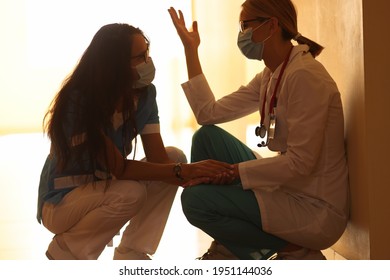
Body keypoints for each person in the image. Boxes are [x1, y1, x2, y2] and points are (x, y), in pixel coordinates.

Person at [168, 0, 349, 260]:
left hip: (313, 207)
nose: (242, 35)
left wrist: (235, 173)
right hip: (287, 188)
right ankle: (231, 244)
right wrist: (190, 50)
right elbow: (208, 114)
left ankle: (292, 248)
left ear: (271, 25)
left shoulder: (305, 76)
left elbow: (301, 164)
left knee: (195, 201)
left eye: (245, 26)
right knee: (206, 137)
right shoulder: (271, 74)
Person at [36, 23, 234, 260]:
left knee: (174, 157)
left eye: (147, 54)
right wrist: (186, 172)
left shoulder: (145, 95)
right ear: (114, 64)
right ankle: (66, 253)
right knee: (132, 192)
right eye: (139, 57)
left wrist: (195, 177)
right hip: (62, 202)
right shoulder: (79, 102)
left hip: (104, 188)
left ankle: (132, 251)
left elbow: (161, 160)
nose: (148, 62)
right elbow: (119, 168)